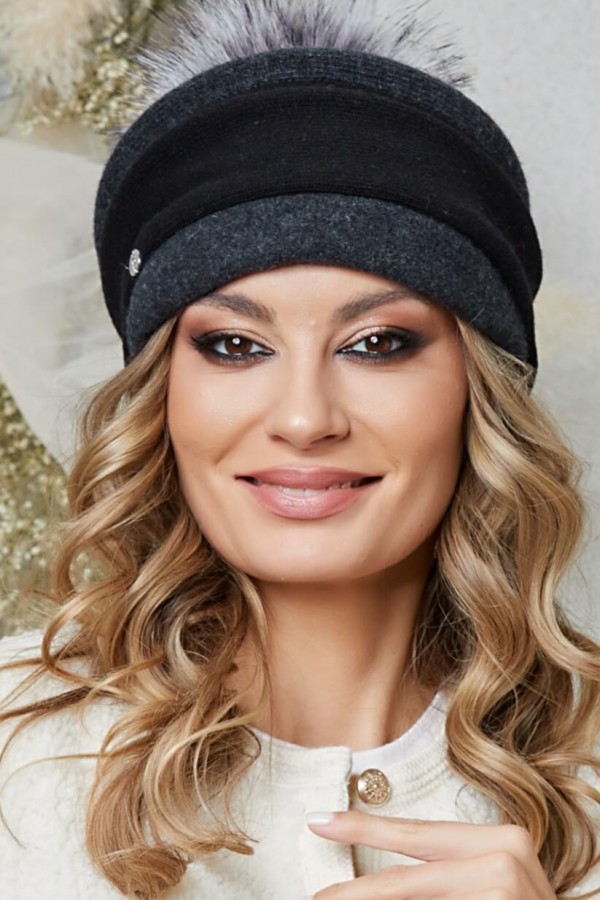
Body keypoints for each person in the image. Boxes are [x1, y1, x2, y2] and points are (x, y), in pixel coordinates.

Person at [1, 1, 599, 898]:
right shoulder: (15, 748)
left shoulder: (586, 777)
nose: (305, 418)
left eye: (378, 343)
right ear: (162, 395)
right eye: (235, 345)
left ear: (479, 388)